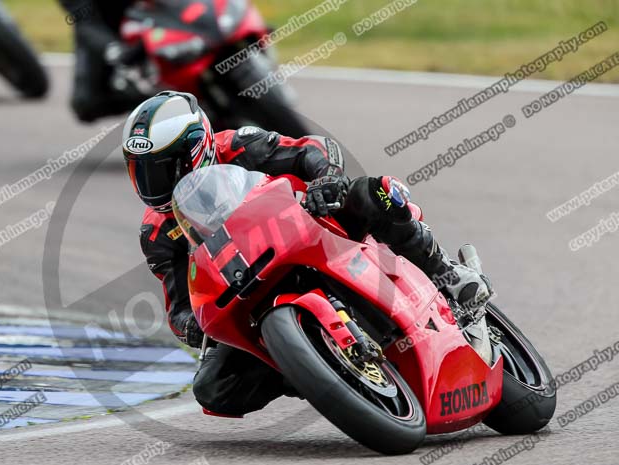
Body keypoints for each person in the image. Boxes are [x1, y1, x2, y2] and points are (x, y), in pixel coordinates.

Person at [122, 91, 492, 418]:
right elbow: (178, 304)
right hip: (249, 282)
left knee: (370, 193)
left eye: (164, 168)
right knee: (214, 389)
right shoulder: (155, 232)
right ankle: (316, 367)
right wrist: (192, 324)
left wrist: (323, 179)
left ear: (197, 150)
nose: (152, 182)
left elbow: (312, 149)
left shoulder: (237, 146)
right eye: (141, 170)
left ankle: (449, 273)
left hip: (313, 224)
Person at [57, 0, 142, 122]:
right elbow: (85, 22)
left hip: (154, 24)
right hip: (106, 35)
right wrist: (114, 49)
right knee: (86, 104)